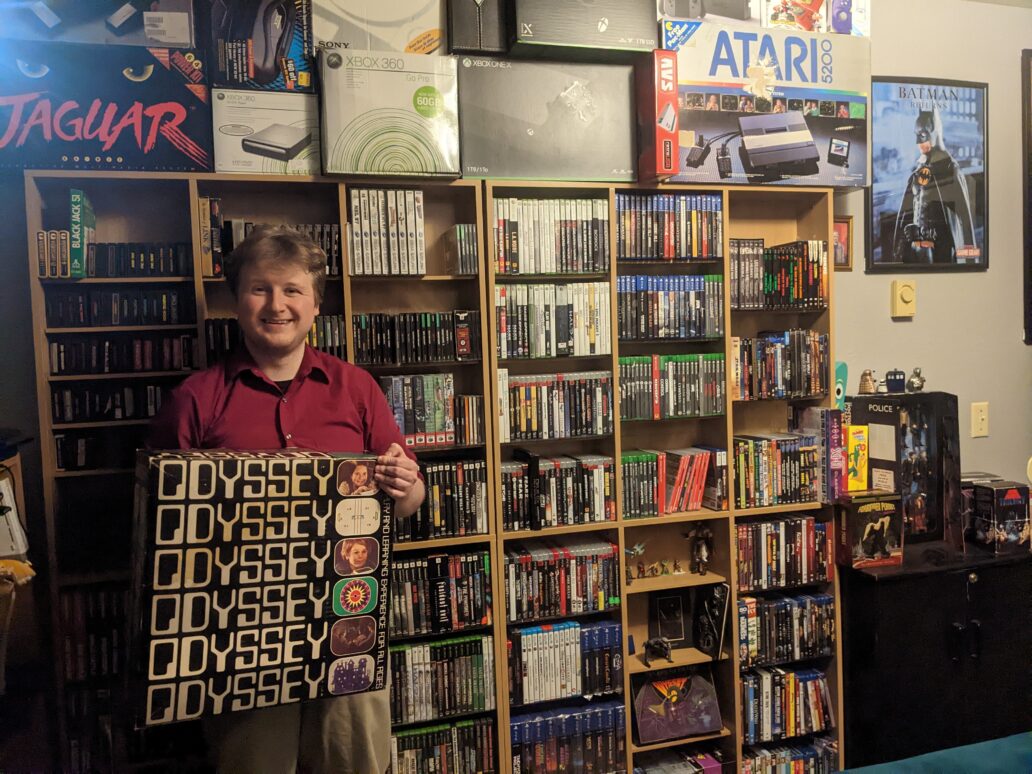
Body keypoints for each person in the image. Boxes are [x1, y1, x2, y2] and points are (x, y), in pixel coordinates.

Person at [148, 225, 424, 774]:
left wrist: (405, 485)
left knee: (356, 764)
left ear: (315, 304)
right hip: (238, 638)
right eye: (260, 289)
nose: (277, 305)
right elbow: (160, 527)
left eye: (293, 290)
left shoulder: (357, 387)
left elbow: (407, 499)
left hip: (348, 625)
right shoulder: (195, 399)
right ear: (235, 301)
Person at [892, 107, 976, 264]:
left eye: (922, 136)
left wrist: (970, 266)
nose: (919, 142)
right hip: (917, 253)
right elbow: (906, 213)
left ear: (934, 133)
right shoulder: (919, 170)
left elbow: (964, 221)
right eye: (917, 136)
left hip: (941, 254)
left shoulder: (950, 170)